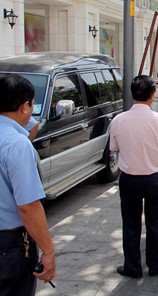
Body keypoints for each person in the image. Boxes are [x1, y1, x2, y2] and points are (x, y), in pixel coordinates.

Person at [110, 75, 158, 278]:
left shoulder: (118, 121)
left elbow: (114, 148)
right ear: (152, 95)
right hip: (154, 178)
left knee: (130, 223)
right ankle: (155, 264)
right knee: (156, 222)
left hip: (129, 178)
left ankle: (133, 267)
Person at [0, 74, 56, 295]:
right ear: (25, 106)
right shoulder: (17, 144)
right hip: (9, 245)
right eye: (31, 105)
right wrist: (48, 251)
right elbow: (29, 206)